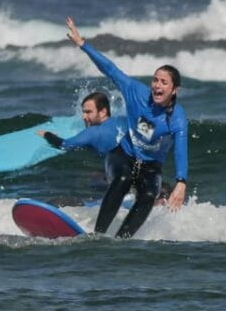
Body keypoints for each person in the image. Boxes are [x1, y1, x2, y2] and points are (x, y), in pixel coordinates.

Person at [65, 16, 188, 238]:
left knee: (150, 194)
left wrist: (181, 182)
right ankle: (98, 235)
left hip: (151, 165)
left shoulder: (176, 118)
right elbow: (110, 69)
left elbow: (181, 148)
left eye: (163, 82)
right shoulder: (136, 92)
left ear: (174, 90)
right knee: (122, 180)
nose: (157, 85)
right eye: (155, 80)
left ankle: (122, 240)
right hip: (123, 154)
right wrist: (83, 44)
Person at [37, 91, 125, 156]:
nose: (83, 117)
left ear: (102, 112)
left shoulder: (93, 132)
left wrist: (47, 134)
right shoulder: (123, 122)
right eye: (83, 112)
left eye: (88, 112)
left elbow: (64, 145)